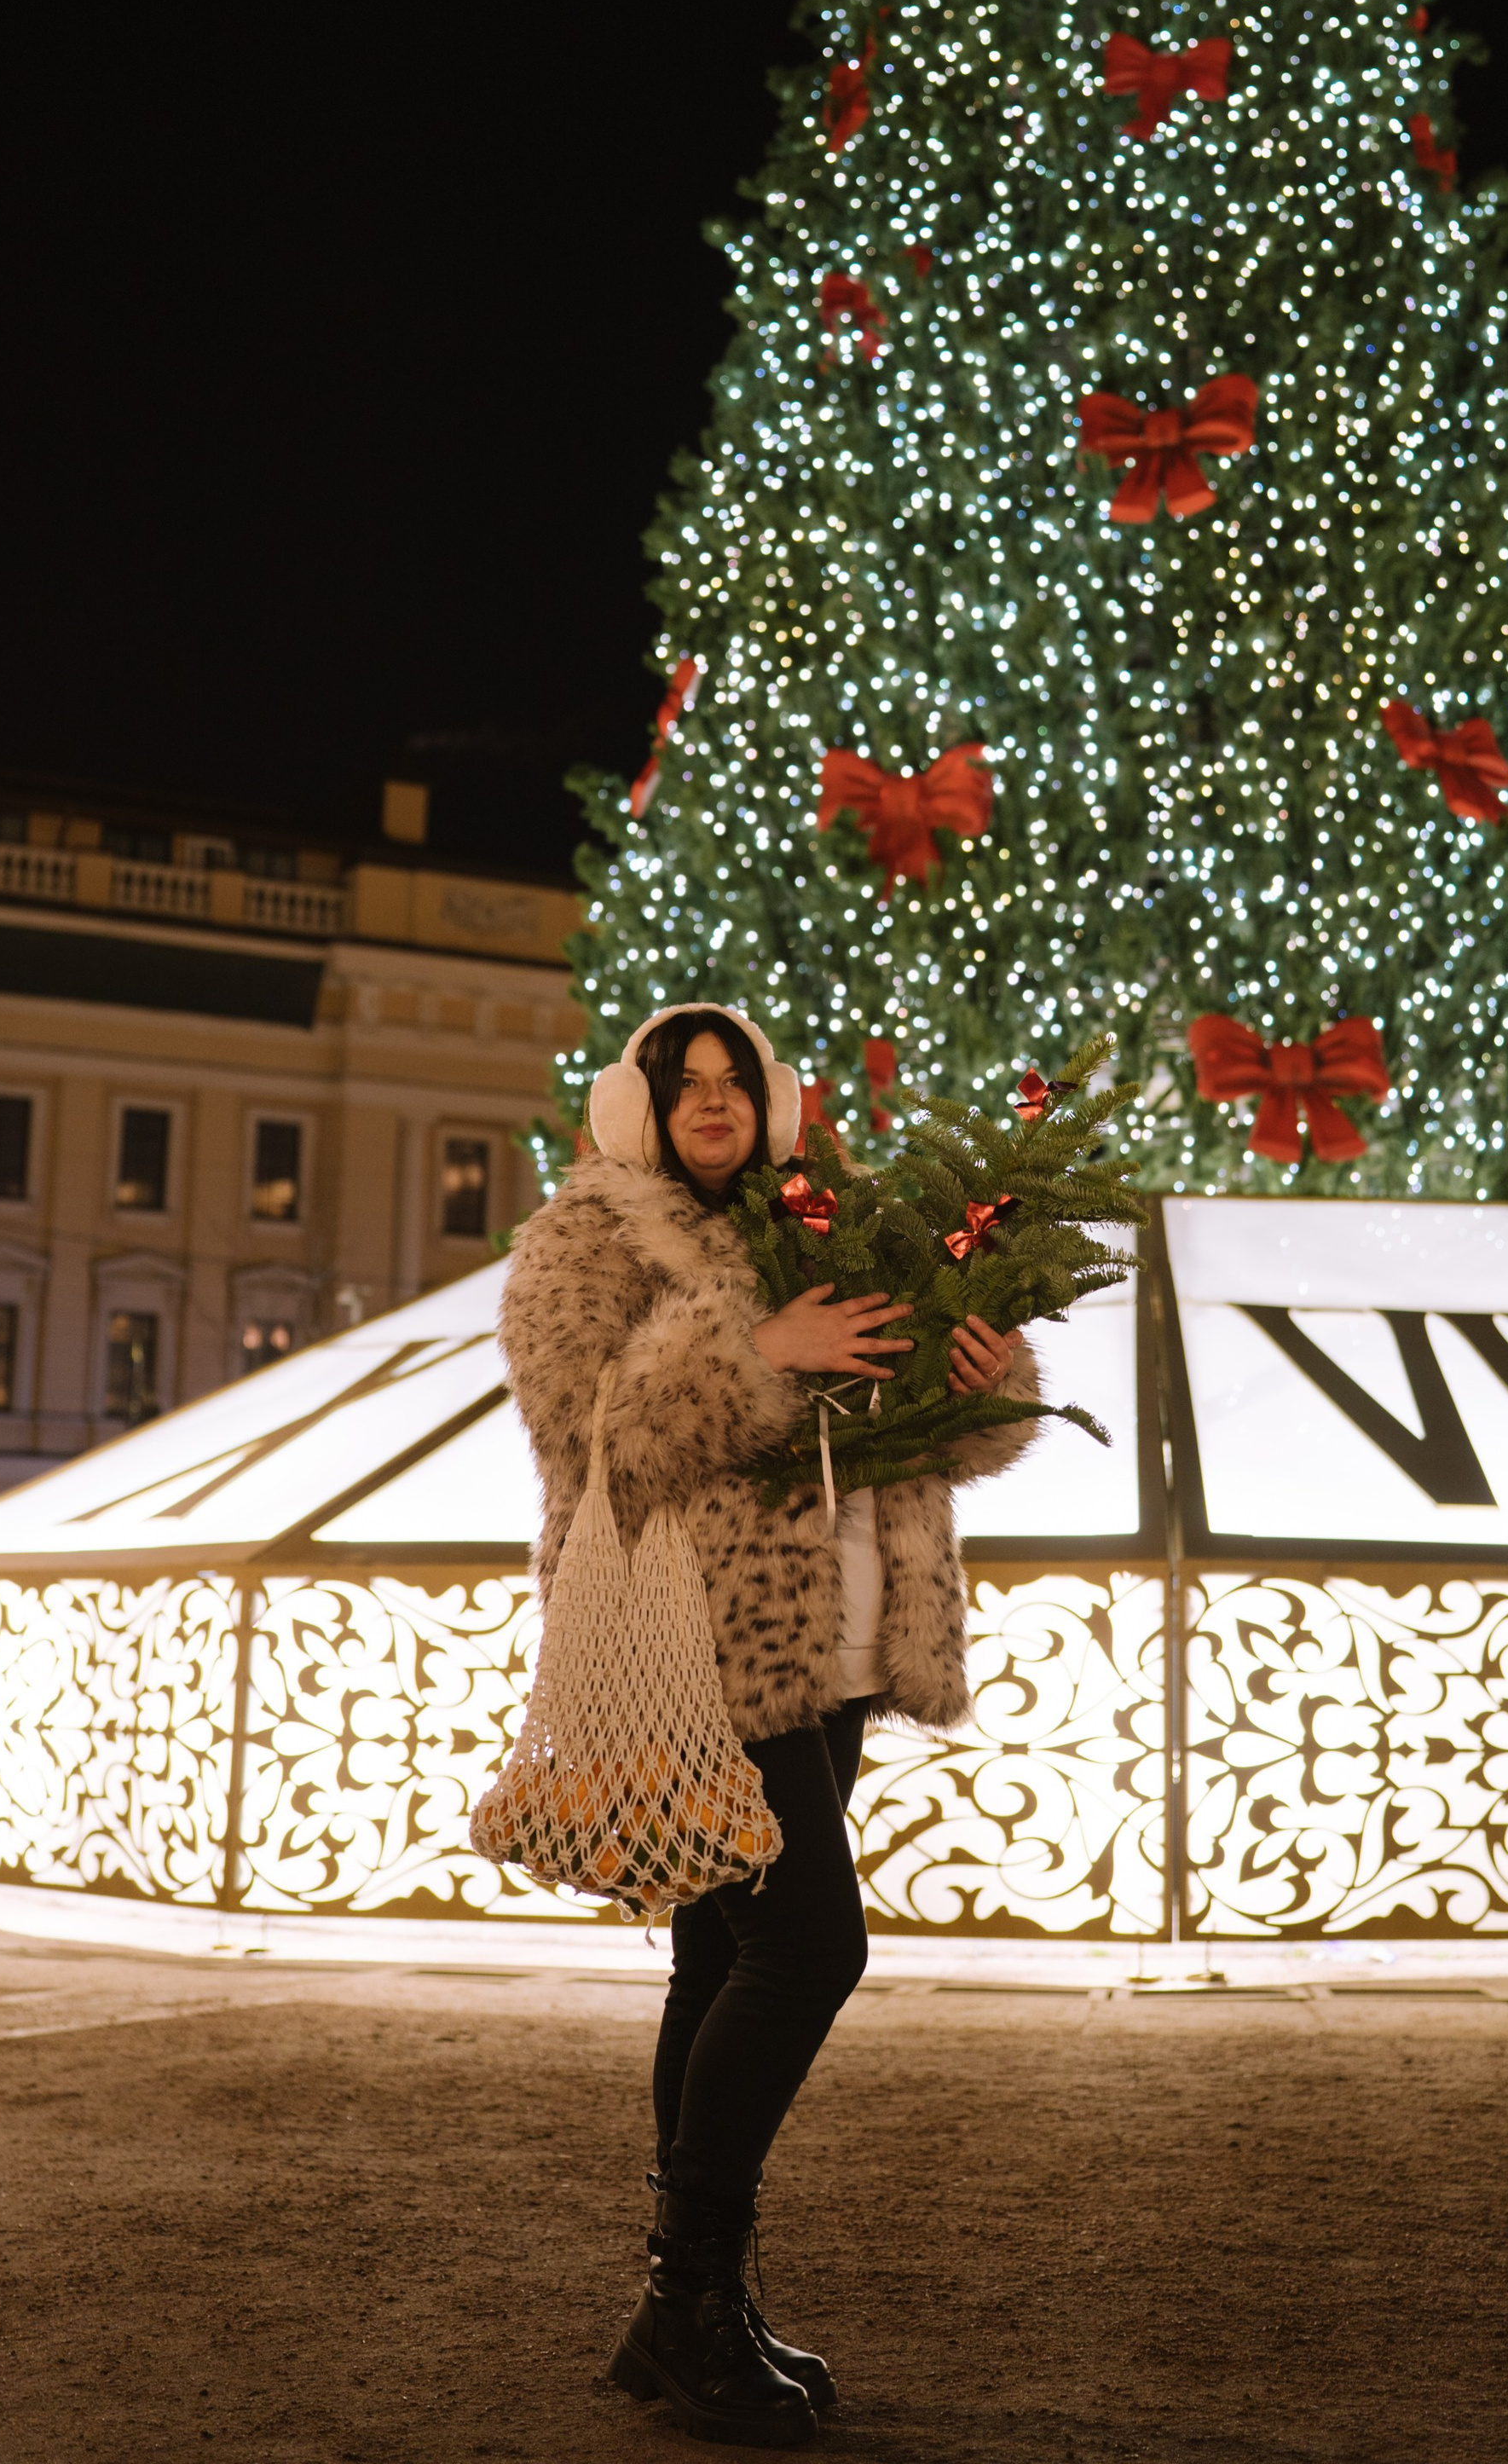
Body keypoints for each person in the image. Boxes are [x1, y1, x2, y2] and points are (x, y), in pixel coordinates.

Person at [498, 998, 1037, 2449]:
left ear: (776, 1102)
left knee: (718, 1951)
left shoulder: (824, 1222)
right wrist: (759, 1344)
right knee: (809, 1943)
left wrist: (985, 1385)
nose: (718, 1104)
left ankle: (686, 2310)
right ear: (643, 1108)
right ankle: (685, 2306)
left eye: (740, 1081)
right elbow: (592, 1435)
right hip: (704, 1649)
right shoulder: (583, 1242)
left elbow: (926, 1425)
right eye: (691, 1086)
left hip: (840, 1638)